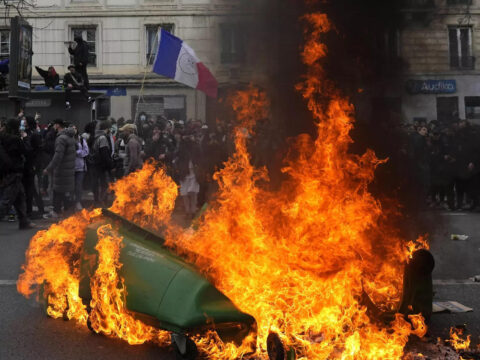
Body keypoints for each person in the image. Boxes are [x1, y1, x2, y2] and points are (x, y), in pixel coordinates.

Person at [0, 118, 33, 229]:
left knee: (20, 197)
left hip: (6, 171)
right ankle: (24, 221)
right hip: (14, 172)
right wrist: (25, 138)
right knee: (7, 201)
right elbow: (27, 150)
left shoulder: (2, 137)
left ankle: (24, 221)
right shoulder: (15, 139)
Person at [43, 119, 76, 219]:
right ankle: (69, 212)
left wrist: (48, 168)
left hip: (61, 170)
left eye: (54, 125)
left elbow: (58, 156)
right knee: (65, 192)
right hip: (69, 170)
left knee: (58, 191)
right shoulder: (70, 137)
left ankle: (57, 212)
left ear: (57, 125)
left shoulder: (61, 138)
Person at [23, 116, 45, 218]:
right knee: (30, 189)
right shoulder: (26, 132)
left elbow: (38, 150)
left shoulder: (34, 134)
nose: (23, 121)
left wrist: (36, 164)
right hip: (27, 164)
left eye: (25, 120)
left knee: (33, 188)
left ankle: (38, 209)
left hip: (32, 164)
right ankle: (31, 210)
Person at [90, 120, 113, 207]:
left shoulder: (96, 136)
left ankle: (97, 201)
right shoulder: (102, 138)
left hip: (95, 165)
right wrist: (111, 165)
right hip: (101, 166)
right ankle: (101, 202)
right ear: (106, 128)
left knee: (96, 184)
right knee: (104, 184)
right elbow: (104, 153)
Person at [73, 126, 89, 211]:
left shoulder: (82, 140)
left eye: (75, 128)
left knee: (78, 185)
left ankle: (78, 202)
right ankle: (70, 202)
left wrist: (77, 152)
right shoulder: (67, 139)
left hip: (80, 167)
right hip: (70, 167)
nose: (74, 130)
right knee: (71, 186)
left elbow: (86, 151)